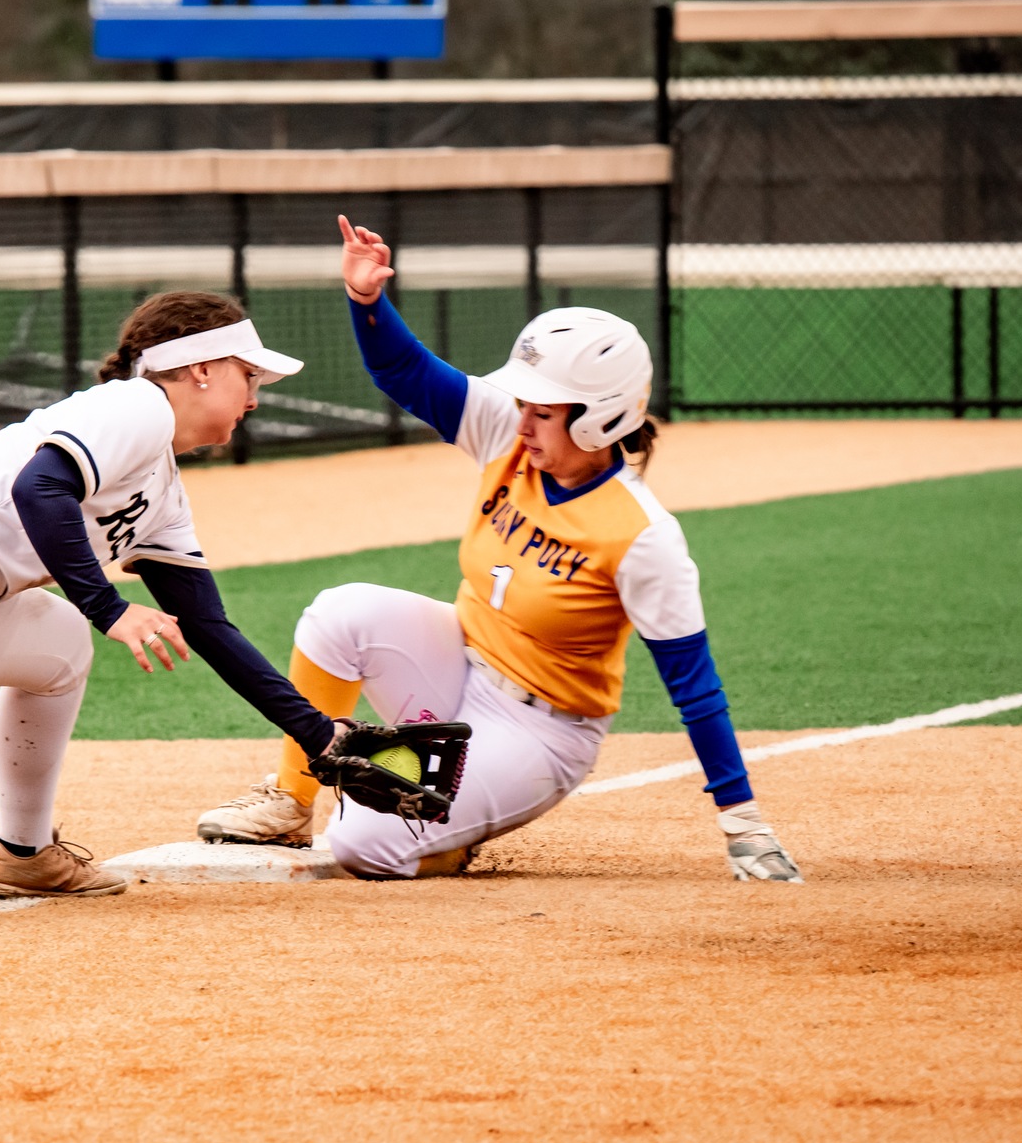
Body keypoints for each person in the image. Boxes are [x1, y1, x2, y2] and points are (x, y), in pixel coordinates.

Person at [193, 217, 802, 883]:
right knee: (339, 613)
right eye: (523, 402)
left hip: (540, 732)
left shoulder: (641, 535)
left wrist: (742, 822)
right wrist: (366, 301)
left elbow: (694, 684)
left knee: (359, 842)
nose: (522, 419)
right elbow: (405, 372)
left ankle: (446, 839)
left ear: (600, 417)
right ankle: (292, 796)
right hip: (458, 664)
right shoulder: (511, 439)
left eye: (544, 409)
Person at [0, 291, 347, 941]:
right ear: (200, 368)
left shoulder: (161, 487)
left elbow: (209, 627)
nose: (255, 396)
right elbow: (39, 487)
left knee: (59, 644)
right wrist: (107, 607)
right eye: (250, 375)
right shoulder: (136, 405)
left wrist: (320, 738)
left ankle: (24, 854)